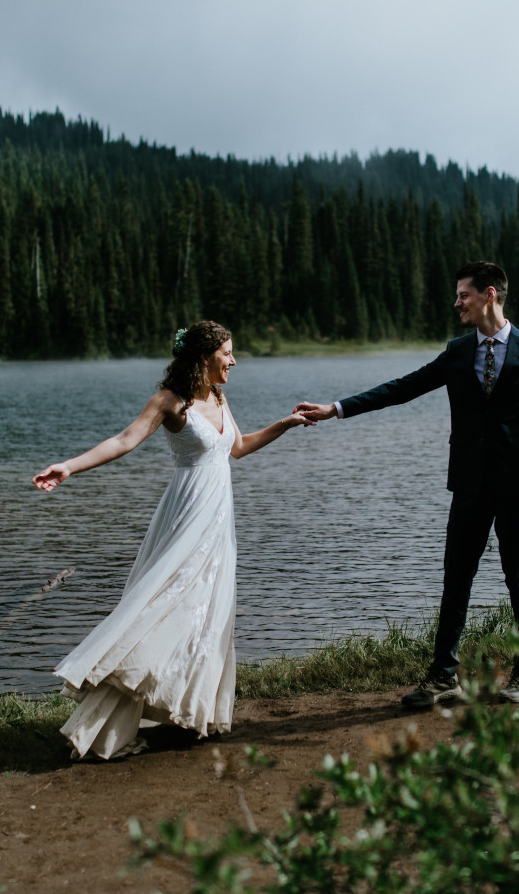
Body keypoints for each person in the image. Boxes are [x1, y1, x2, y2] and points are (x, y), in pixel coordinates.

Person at [296, 260, 519, 707]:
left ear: (489, 294)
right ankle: (443, 677)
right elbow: (403, 387)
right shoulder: (457, 351)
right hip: (470, 483)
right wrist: (336, 408)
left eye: (464, 295)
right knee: (456, 579)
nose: (457, 303)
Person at [34, 320, 315, 759]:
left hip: (218, 524)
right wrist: (69, 467)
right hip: (185, 518)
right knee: (162, 607)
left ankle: (185, 710)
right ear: (204, 357)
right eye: (228, 353)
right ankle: (107, 722)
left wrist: (285, 423)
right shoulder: (171, 402)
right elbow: (124, 440)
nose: (234, 361)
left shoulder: (219, 397)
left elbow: (236, 447)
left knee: (203, 613)